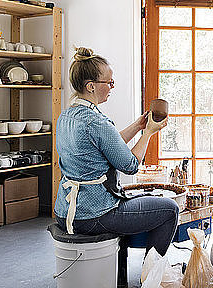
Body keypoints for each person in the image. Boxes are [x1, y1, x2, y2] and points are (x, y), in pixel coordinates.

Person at [54, 47, 178, 256]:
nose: (112, 87)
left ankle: (121, 276)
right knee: (169, 209)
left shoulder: (67, 116)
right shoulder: (97, 122)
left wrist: (138, 126)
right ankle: (150, 277)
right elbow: (130, 165)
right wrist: (148, 133)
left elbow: (107, 146)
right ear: (91, 86)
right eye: (109, 82)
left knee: (135, 201)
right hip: (94, 216)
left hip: (65, 211)